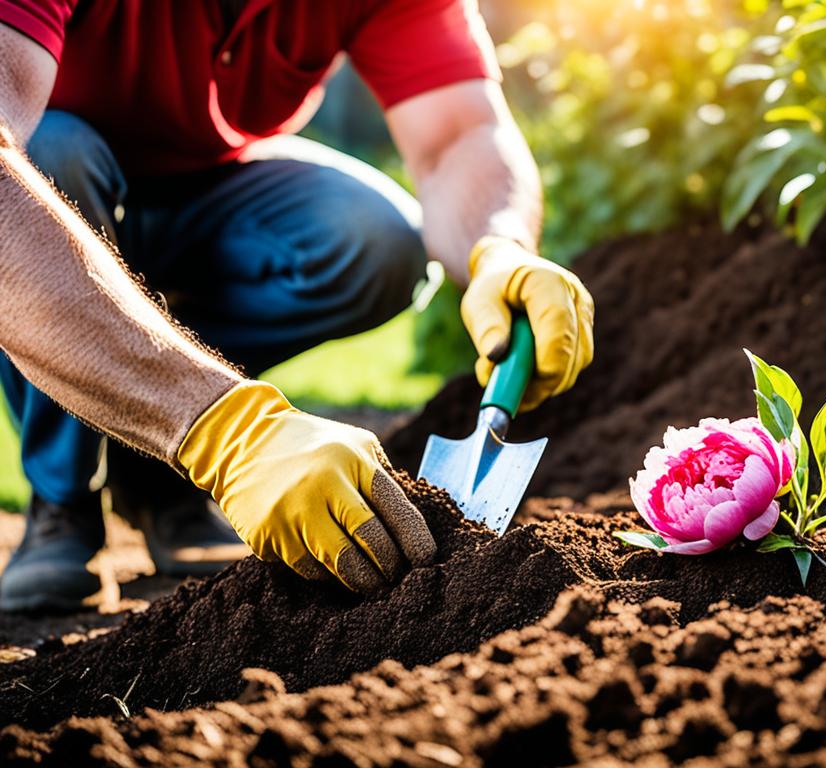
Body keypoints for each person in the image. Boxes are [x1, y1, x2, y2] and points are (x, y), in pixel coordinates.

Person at [0, 0, 594, 611]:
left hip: (210, 188)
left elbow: (458, 136)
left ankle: (155, 470)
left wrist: (498, 247)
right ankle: (64, 503)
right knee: (53, 153)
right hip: (48, 183)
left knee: (372, 241)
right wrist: (227, 432)